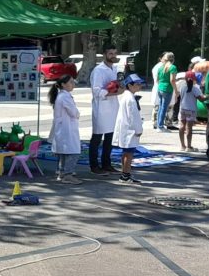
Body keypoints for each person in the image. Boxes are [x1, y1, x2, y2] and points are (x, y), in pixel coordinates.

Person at [89, 45, 122, 175]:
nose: (113, 56)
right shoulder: (98, 70)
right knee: (97, 138)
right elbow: (97, 91)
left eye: (114, 53)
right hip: (102, 109)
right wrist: (113, 92)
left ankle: (106, 164)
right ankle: (94, 166)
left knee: (109, 138)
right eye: (110, 53)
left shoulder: (115, 68)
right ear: (104, 54)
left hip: (113, 108)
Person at [48, 75, 82, 185]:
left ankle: (62, 173)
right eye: (71, 82)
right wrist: (77, 113)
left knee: (64, 152)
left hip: (63, 128)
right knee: (73, 152)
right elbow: (74, 113)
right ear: (63, 84)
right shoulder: (65, 97)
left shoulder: (62, 96)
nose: (73, 84)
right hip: (67, 129)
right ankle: (68, 174)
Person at [114, 74, 146, 184]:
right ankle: (125, 175)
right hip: (130, 130)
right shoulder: (130, 99)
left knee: (126, 152)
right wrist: (138, 130)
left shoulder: (127, 96)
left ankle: (125, 173)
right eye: (137, 84)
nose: (140, 86)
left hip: (126, 128)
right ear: (130, 85)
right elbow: (133, 117)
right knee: (129, 153)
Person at [176, 73, 205, 152]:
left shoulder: (182, 87)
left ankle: (182, 145)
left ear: (185, 79)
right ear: (194, 79)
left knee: (182, 126)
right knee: (189, 128)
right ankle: (189, 146)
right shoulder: (195, 88)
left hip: (182, 108)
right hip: (191, 110)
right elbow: (201, 99)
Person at [154, 53, 177, 132]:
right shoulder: (172, 67)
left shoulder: (161, 67)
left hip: (160, 88)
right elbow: (172, 80)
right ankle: (160, 126)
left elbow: (157, 80)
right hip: (167, 89)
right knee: (164, 108)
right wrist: (176, 91)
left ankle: (158, 125)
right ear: (173, 59)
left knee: (161, 107)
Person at [150, 52, 169, 126]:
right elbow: (157, 79)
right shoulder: (159, 67)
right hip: (160, 87)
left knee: (163, 106)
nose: (167, 60)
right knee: (157, 106)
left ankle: (163, 122)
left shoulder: (165, 66)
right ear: (161, 58)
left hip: (161, 87)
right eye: (166, 58)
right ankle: (156, 123)